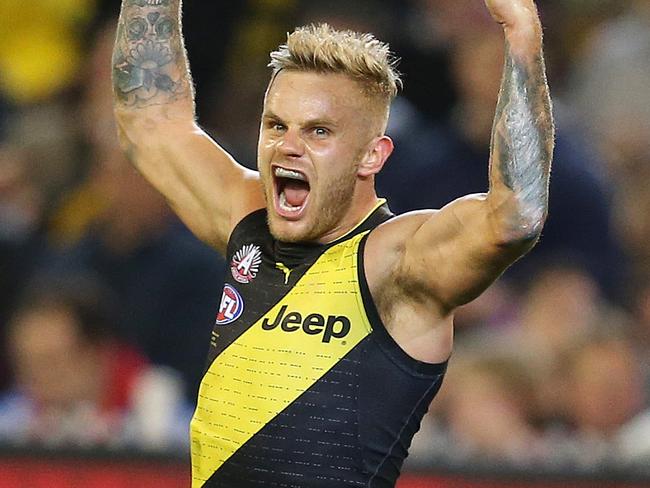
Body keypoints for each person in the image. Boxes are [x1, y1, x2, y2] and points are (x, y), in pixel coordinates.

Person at [111, 0, 554, 486]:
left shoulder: (395, 263)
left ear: (371, 155)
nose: (288, 145)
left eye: (318, 131)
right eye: (276, 125)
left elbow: (516, 215)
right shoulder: (247, 217)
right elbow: (150, 119)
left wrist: (521, 33)